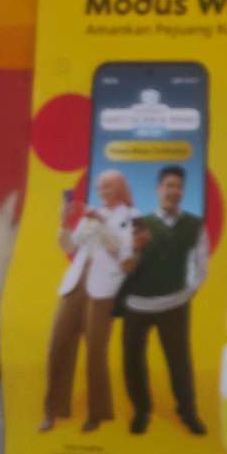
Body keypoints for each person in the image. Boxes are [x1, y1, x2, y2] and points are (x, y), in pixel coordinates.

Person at [42, 170, 138, 433]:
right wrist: (64, 222)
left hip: (104, 289)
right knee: (58, 345)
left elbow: (123, 252)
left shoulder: (133, 216)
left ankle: (97, 414)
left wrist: (102, 223)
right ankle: (53, 410)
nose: (101, 191)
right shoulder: (90, 214)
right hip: (76, 283)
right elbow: (70, 247)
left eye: (107, 186)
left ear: (120, 188)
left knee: (95, 352)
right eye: (99, 187)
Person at [120, 164, 210, 436]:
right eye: (169, 185)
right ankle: (141, 411)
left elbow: (201, 264)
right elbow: (124, 263)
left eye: (179, 186)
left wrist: (187, 292)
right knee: (133, 361)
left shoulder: (195, 225)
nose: (174, 191)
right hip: (136, 305)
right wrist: (133, 250)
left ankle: (188, 412)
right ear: (159, 189)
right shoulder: (139, 224)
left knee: (179, 361)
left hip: (174, 305)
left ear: (183, 192)